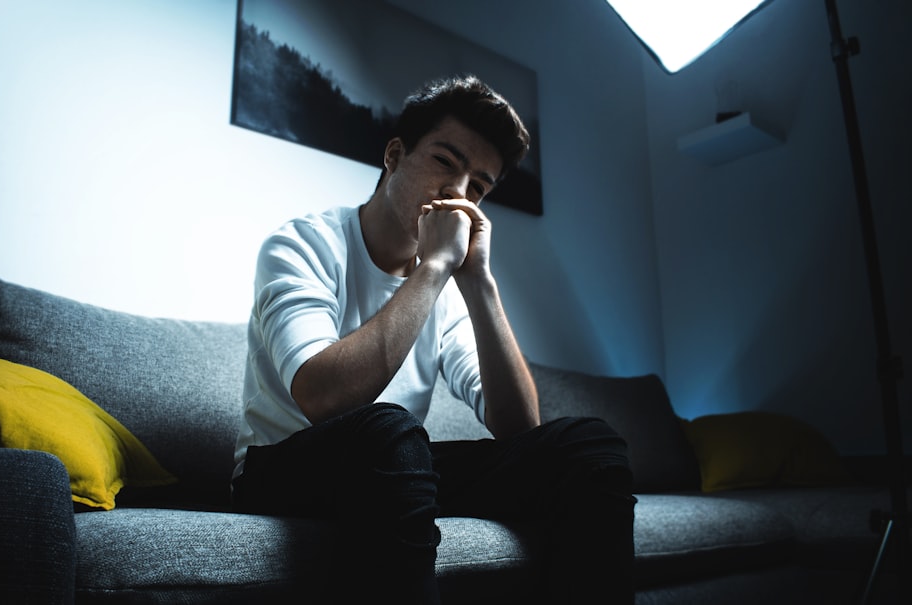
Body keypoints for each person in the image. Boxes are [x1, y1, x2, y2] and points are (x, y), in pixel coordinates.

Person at [231, 74, 635, 604]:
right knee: (390, 431)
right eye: (446, 162)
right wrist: (437, 265)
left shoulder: (446, 287)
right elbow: (322, 399)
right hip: (279, 470)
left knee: (589, 446)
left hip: (392, 470)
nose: (458, 194)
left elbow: (518, 429)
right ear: (394, 156)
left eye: (480, 188)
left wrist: (478, 283)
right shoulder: (303, 244)